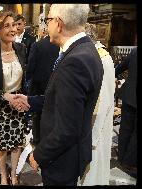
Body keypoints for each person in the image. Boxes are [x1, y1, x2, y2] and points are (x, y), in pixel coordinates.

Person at [13, 4, 104, 185]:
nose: (46, 26)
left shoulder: (75, 61)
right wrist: (31, 101)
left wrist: (39, 154)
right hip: (69, 155)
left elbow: (67, 128)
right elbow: (65, 101)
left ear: (59, 23)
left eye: (48, 20)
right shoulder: (86, 49)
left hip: (61, 159)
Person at [0, 11, 27, 185]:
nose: (13, 29)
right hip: (0, 105)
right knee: (2, 145)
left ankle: (13, 174)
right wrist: (6, 96)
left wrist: (23, 98)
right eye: (7, 26)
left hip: (18, 104)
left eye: (14, 25)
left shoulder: (21, 49)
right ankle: (3, 175)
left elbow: (26, 78)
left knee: (16, 143)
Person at [79, 23, 115, 185]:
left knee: (92, 172)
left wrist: (91, 136)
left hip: (96, 128)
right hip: (94, 126)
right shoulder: (96, 54)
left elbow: (101, 99)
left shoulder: (100, 58)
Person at [26, 24, 60, 146]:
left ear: (44, 32)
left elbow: (30, 66)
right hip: (54, 85)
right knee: (52, 112)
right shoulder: (60, 46)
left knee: (37, 114)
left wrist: (28, 79)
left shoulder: (37, 45)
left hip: (38, 86)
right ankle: (49, 139)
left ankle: (36, 139)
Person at [115, 47, 137, 177]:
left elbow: (118, 69)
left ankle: (122, 159)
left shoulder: (135, 51)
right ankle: (130, 163)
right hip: (130, 97)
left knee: (125, 129)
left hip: (128, 97)